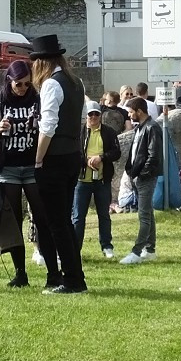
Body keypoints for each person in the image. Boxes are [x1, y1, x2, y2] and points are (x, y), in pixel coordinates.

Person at [0, 59, 54, 289]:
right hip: (8, 167)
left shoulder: (36, 98)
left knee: (42, 216)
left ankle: (52, 271)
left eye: (26, 84)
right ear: (9, 80)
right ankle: (20, 272)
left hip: (33, 165)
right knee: (13, 219)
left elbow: (49, 127)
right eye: (19, 84)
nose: (23, 88)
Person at [31, 34, 88, 294]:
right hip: (72, 154)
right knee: (64, 219)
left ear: (42, 62)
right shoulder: (76, 83)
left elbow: (48, 126)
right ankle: (75, 275)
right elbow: (83, 120)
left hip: (54, 158)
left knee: (57, 222)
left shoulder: (51, 85)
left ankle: (72, 279)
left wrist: (38, 157)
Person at [72, 100, 121, 259]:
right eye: (90, 114)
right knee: (78, 217)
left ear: (100, 115)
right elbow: (73, 153)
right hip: (82, 180)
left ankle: (107, 246)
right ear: (85, 116)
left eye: (96, 114)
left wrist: (101, 158)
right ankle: (75, 248)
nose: (93, 117)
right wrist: (86, 161)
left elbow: (116, 152)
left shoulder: (108, 132)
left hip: (101, 180)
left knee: (104, 215)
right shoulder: (78, 133)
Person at [120, 97, 162, 264]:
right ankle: (150, 249)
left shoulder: (152, 128)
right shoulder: (141, 128)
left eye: (131, 112)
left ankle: (136, 252)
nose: (129, 116)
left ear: (140, 111)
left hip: (146, 176)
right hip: (138, 175)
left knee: (143, 215)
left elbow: (153, 156)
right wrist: (132, 172)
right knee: (148, 213)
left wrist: (142, 174)